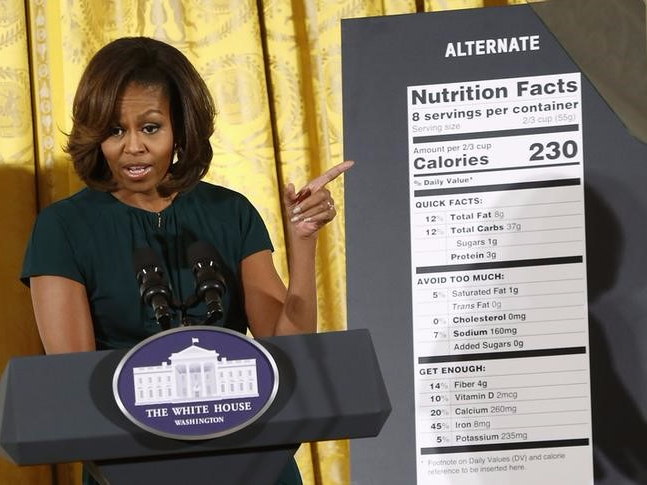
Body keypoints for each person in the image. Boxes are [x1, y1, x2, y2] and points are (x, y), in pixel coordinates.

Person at [21, 36, 352, 485]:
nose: (132, 146)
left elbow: (286, 348)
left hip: (254, 465)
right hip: (129, 468)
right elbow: (78, 388)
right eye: (115, 130)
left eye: (151, 127)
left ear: (181, 128)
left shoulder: (229, 213)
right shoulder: (63, 228)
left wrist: (303, 242)